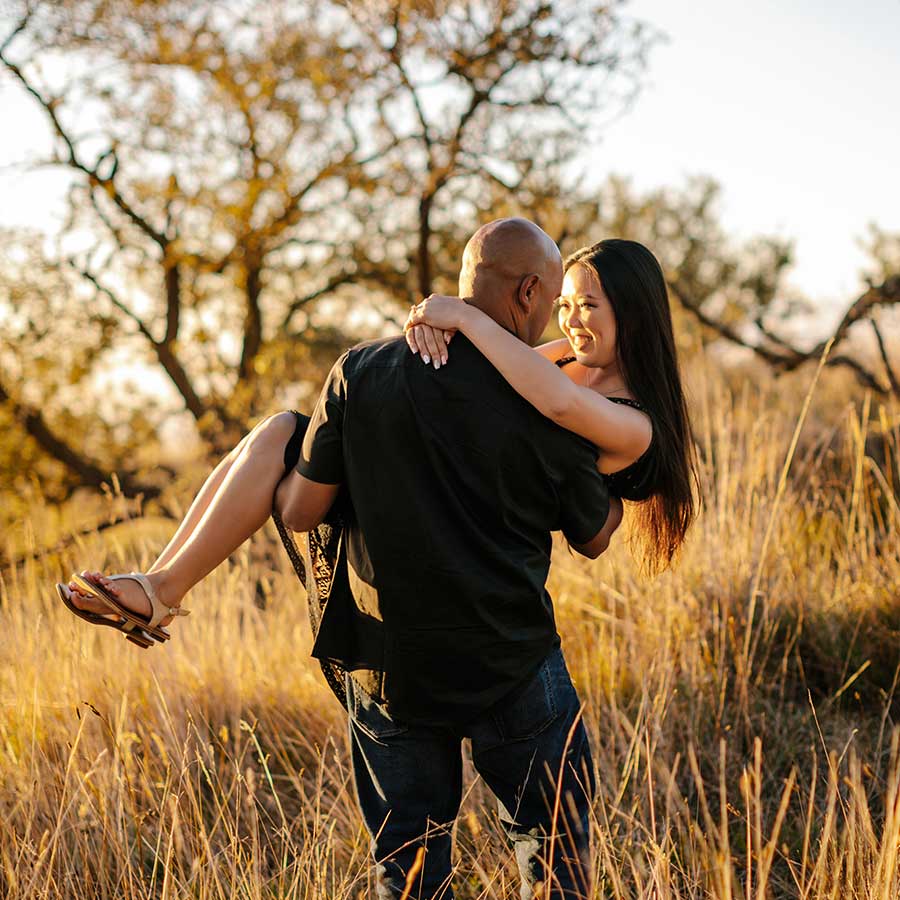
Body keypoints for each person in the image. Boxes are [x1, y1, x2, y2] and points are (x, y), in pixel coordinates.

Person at [59, 220, 696, 897]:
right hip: (510, 657)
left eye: (586, 305)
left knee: (411, 873)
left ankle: (161, 587)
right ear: (534, 292)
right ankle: (160, 584)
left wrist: (447, 321)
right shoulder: (545, 383)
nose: (566, 320)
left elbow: (300, 513)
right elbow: (590, 531)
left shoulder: (419, 378)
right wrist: (453, 326)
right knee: (555, 855)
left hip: (391, 664)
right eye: (561, 303)